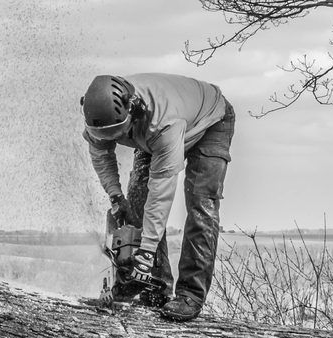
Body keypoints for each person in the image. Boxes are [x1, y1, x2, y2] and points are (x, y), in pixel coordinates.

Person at [81, 73, 235, 322]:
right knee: (136, 200)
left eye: (118, 134)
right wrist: (116, 197)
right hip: (152, 135)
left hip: (210, 121)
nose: (115, 141)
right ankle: (154, 285)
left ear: (132, 110)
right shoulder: (99, 118)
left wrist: (146, 251)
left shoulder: (163, 122)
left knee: (200, 204)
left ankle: (190, 295)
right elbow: (101, 156)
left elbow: (160, 193)